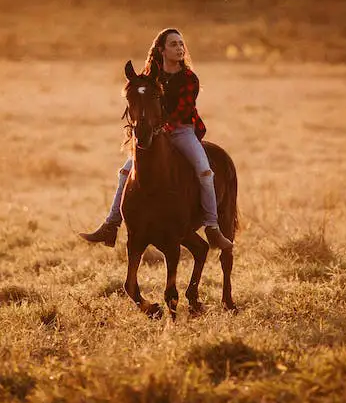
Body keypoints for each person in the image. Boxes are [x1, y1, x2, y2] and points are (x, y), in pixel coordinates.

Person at [80, 28, 234, 251]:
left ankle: (212, 227)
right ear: (161, 49)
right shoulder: (152, 74)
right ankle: (111, 225)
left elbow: (184, 110)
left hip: (182, 132)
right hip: (156, 133)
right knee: (125, 172)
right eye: (174, 44)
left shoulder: (190, 78)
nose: (180, 48)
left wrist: (162, 127)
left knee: (205, 172)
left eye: (181, 44)